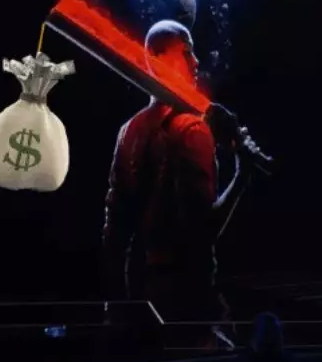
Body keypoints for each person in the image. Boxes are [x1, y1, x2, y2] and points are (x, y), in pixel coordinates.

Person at [103, 20, 255, 305]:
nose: (195, 62)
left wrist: (119, 299)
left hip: (138, 289)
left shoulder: (128, 131)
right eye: (187, 52)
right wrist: (243, 174)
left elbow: (114, 231)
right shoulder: (192, 129)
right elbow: (202, 232)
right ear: (157, 58)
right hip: (188, 294)